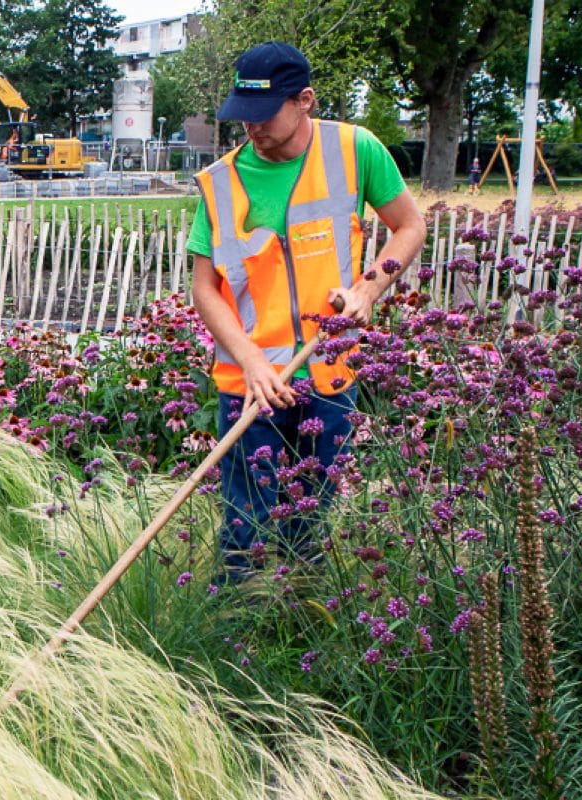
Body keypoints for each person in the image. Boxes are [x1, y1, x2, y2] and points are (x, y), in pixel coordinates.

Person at [186, 42, 426, 580]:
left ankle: (300, 632)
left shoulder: (355, 150)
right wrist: (250, 361)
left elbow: (409, 226)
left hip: (329, 370)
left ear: (306, 101)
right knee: (245, 528)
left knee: (311, 524)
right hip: (250, 381)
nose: (251, 129)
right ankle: (234, 629)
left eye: (263, 114)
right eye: (241, 116)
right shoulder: (219, 183)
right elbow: (205, 289)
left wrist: (370, 287)